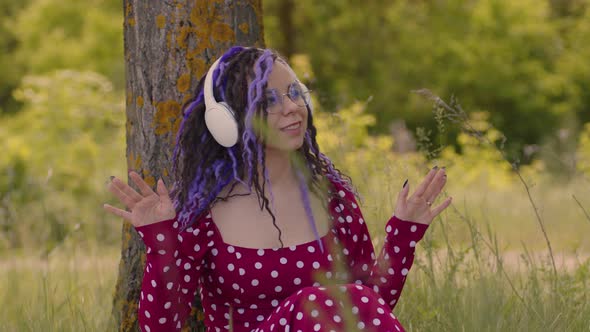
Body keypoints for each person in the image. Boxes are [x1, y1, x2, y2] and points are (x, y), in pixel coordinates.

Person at [104, 46, 452, 332]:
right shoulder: (204, 213)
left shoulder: (333, 198)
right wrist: (161, 238)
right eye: (268, 100)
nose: (292, 108)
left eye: (294, 93)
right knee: (319, 301)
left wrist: (404, 234)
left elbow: (370, 308)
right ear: (228, 120)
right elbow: (161, 327)